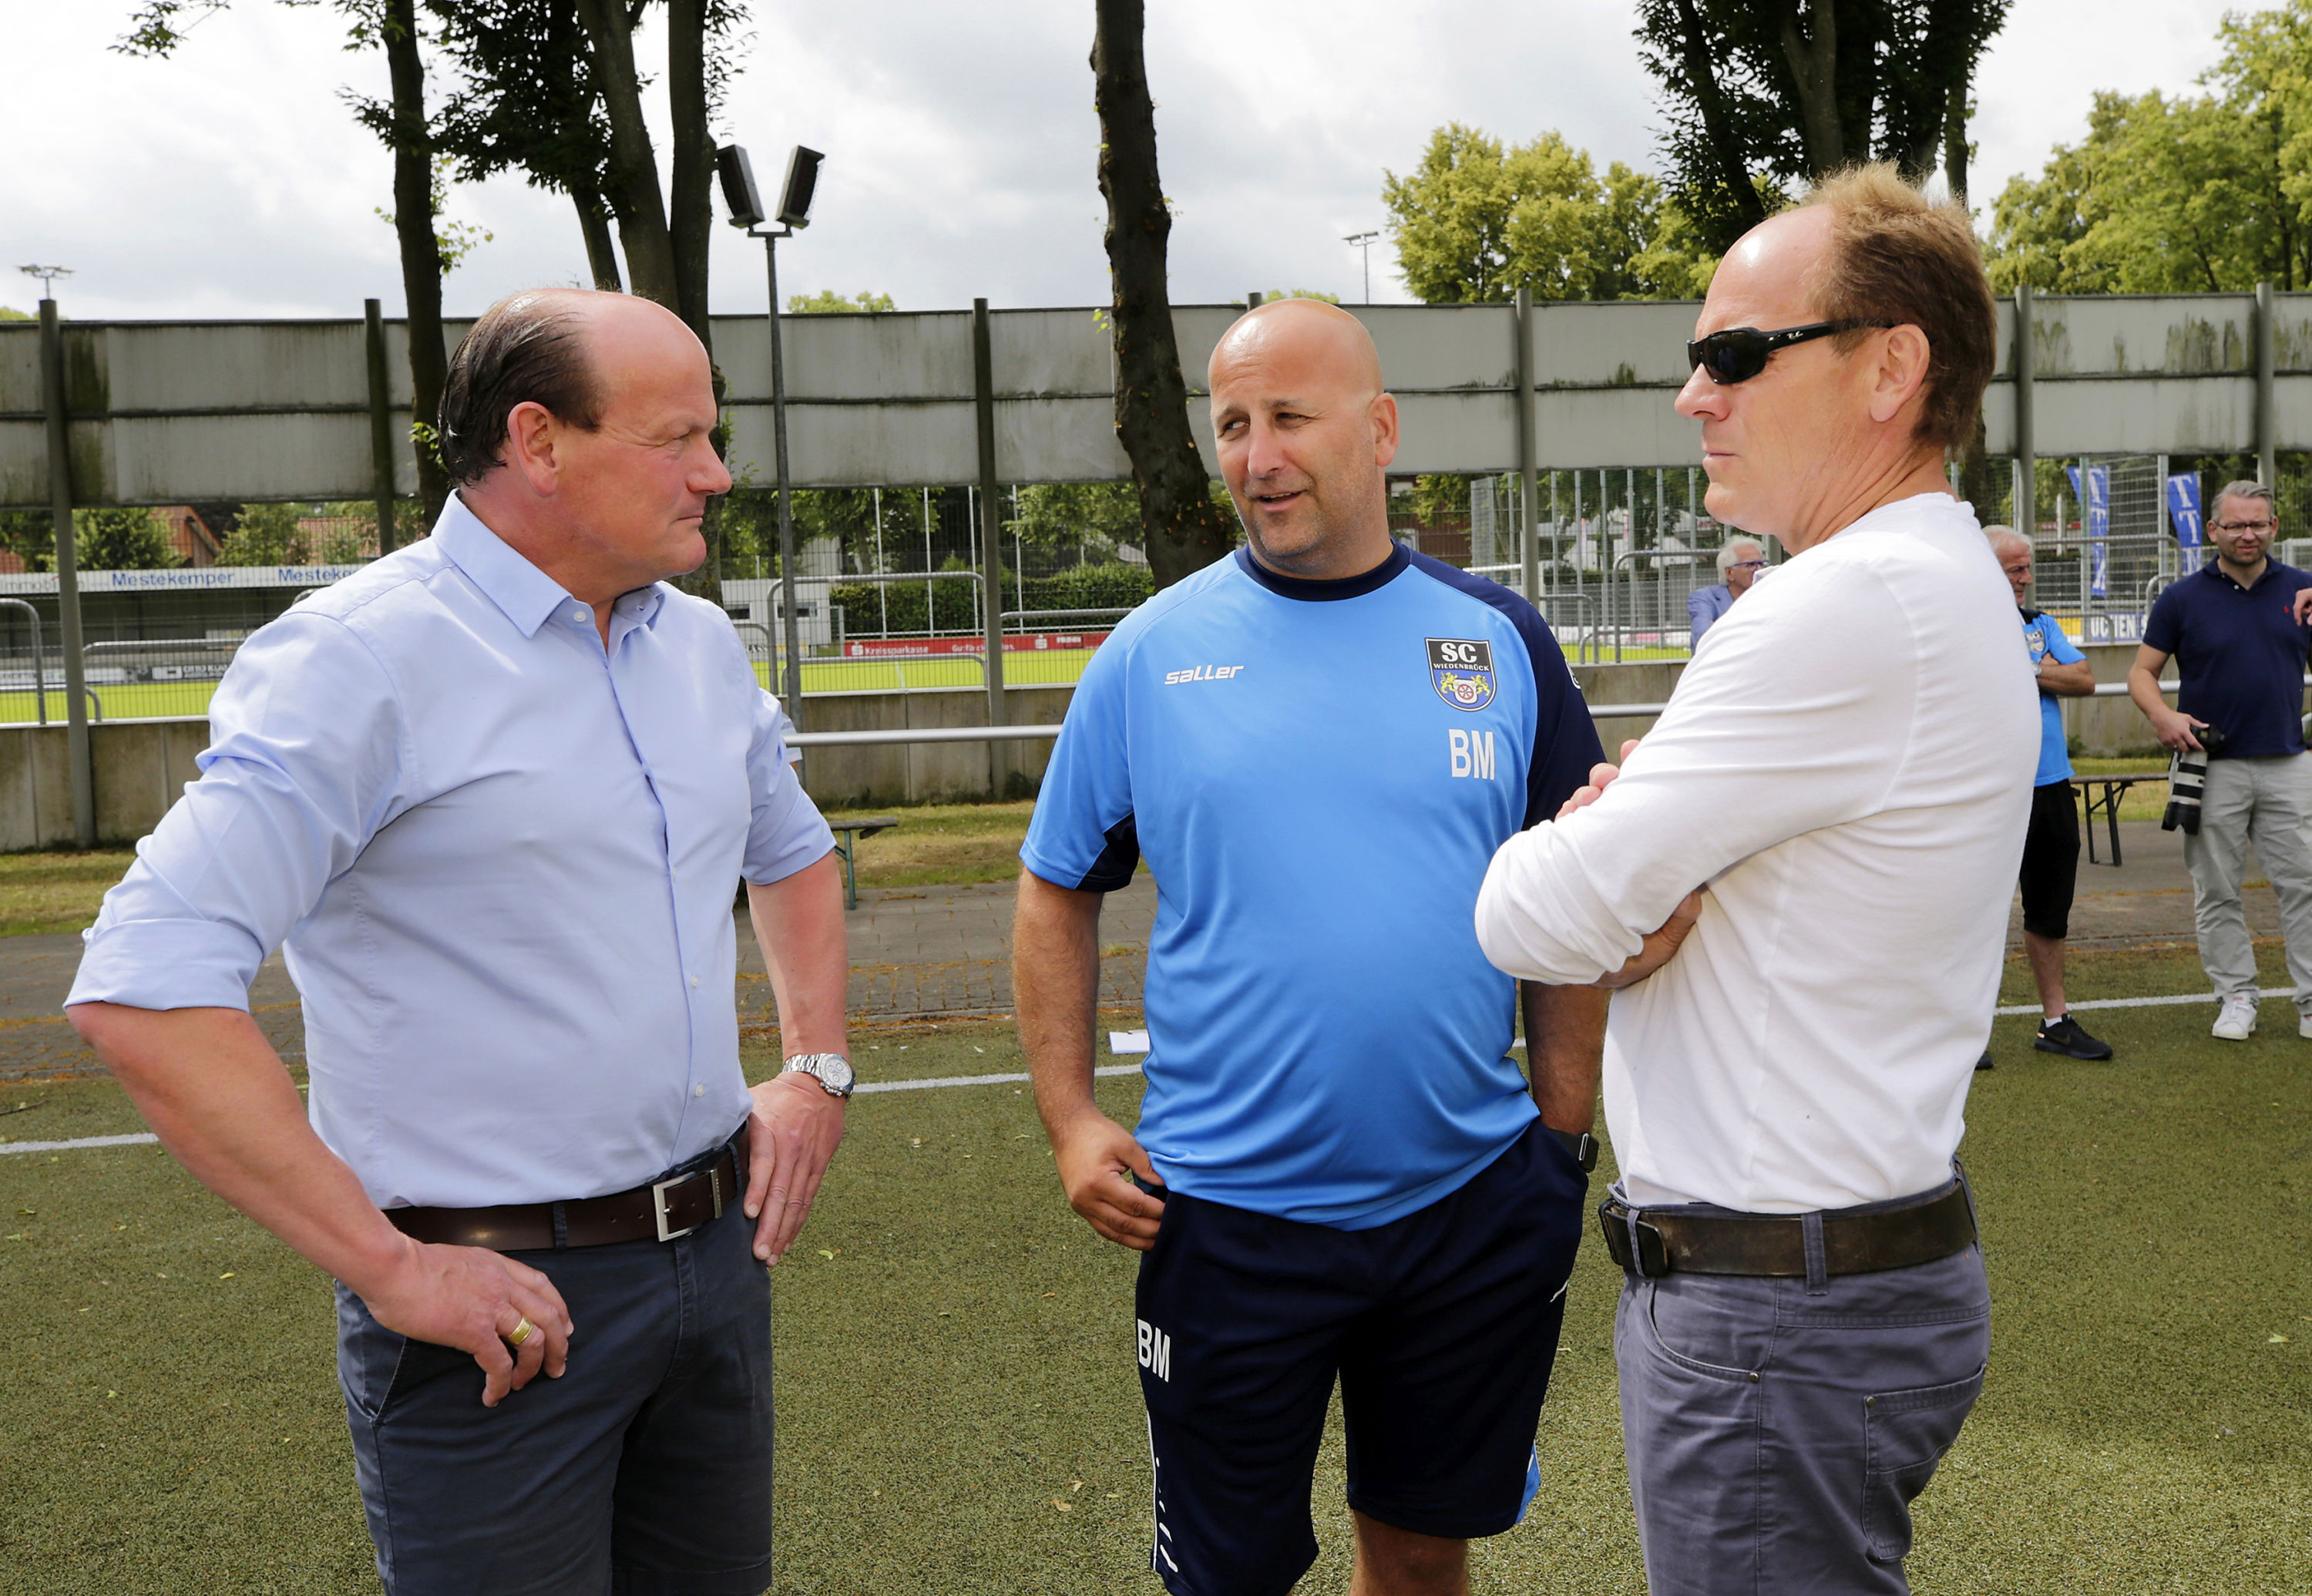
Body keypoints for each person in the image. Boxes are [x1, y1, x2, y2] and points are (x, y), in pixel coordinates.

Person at [66, 289, 853, 1596]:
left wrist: (815, 1065)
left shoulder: (700, 646)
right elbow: (146, 980)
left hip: (716, 1269)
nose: (716, 473)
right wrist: (388, 1267)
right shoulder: (362, 660)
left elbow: (794, 849)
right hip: (495, 1313)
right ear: (538, 441)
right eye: (678, 439)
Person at [1473, 165, 2033, 1596]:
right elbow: (1617, 897)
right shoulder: (1935, 573)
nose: (1693, 395)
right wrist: (1629, 860)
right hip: (1838, 1277)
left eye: (1734, 353)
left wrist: (1596, 853)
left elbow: (1534, 912)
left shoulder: (1842, 599)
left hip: (1778, 1307)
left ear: (1890, 369)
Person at [1013, 297, 1608, 1596]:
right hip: (1226, 1218)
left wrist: (1562, 1133)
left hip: (1469, 1204)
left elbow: (1577, 892)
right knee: (1228, 1577)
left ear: (1380, 429)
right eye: (1232, 424)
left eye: (1289, 416)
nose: (1258, 455)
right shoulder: (1150, 654)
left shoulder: (1500, 640)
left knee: (1423, 1551)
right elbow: (1058, 886)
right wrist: (1070, 1116)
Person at [2128, 481, 2312, 1040]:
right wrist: (2162, 716)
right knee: (2217, 890)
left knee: (2305, 885)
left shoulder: (2303, 590)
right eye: (2235, 525)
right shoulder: (2181, 598)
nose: (2247, 534)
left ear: (2274, 527)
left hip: (2289, 762)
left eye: (2258, 523)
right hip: (2211, 766)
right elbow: (2142, 673)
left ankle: (2310, 1003)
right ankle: (2236, 996)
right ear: (2213, 531)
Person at [1984, 526, 2112, 1064]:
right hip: (1985, 793)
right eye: (2015, 569)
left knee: (2050, 909)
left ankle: (2055, 1023)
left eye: (2026, 567)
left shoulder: (2040, 624)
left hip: (2051, 787)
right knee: (1971, 913)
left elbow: (2084, 679)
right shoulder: (1959, 628)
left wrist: (2030, 668)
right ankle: (1963, 1034)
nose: (2026, 578)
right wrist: (2043, 672)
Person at [1686, 536, 1768, 643]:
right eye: (1751, 565)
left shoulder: (1768, 597)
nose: (1759, 570)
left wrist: (1720, 629)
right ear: (1729, 573)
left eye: (1761, 564)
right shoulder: (1705, 598)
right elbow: (1704, 638)